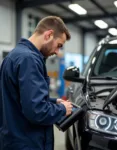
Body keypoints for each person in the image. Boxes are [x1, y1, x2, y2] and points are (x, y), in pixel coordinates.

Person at [0, 16, 73, 150]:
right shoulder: (29, 60)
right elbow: (36, 111)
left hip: (13, 138)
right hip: (27, 142)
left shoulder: (15, 55)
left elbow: (19, 98)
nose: (57, 52)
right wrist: (63, 109)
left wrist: (51, 101)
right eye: (59, 46)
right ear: (49, 35)